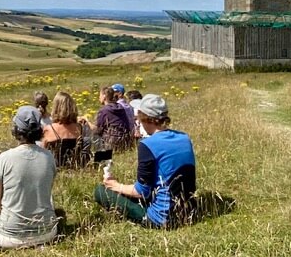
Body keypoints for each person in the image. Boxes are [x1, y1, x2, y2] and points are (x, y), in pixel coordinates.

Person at [94, 94, 196, 228]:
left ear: (144, 118)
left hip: (162, 218)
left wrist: (115, 185)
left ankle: (144, 215)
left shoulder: (148, 144)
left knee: (100, 191)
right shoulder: (184, 137)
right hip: (188, 209)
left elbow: (141, 192)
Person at [0, 106, 58, 249]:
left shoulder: (5, 158)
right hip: (47, 233)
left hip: (9, 236)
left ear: (16, 130)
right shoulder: (49, 157)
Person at [40, 91, 90, 167]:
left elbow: (42, 154)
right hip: (75, 167)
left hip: (56, 168)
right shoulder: (79, 127)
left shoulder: (49, 129)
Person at [93, 86, 134, 151]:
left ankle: (101, 159)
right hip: (125, 141)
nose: (99, 97)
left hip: (111, 143)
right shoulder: (120, 107)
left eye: (100, 95)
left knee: (92, 134)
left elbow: (97, 130)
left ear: (104, 96)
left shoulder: (104, 110)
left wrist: (86, 121)